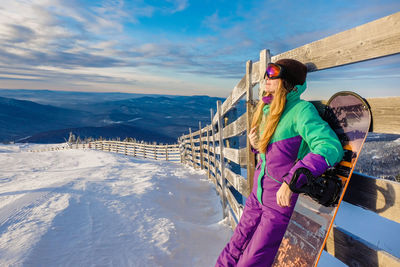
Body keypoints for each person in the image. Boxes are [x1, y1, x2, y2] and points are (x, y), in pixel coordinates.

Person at [215, 59, 344, 267]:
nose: (267, 78)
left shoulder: (301, 111)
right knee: (232, 250)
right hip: (256, 197)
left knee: (250, 261)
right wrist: (257, 146)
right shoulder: (268, 111)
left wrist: (293, 180)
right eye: (266, 73)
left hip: (278, 206)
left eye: (273, 73)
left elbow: (329, 146)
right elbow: (275, 156)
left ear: (289, 82)